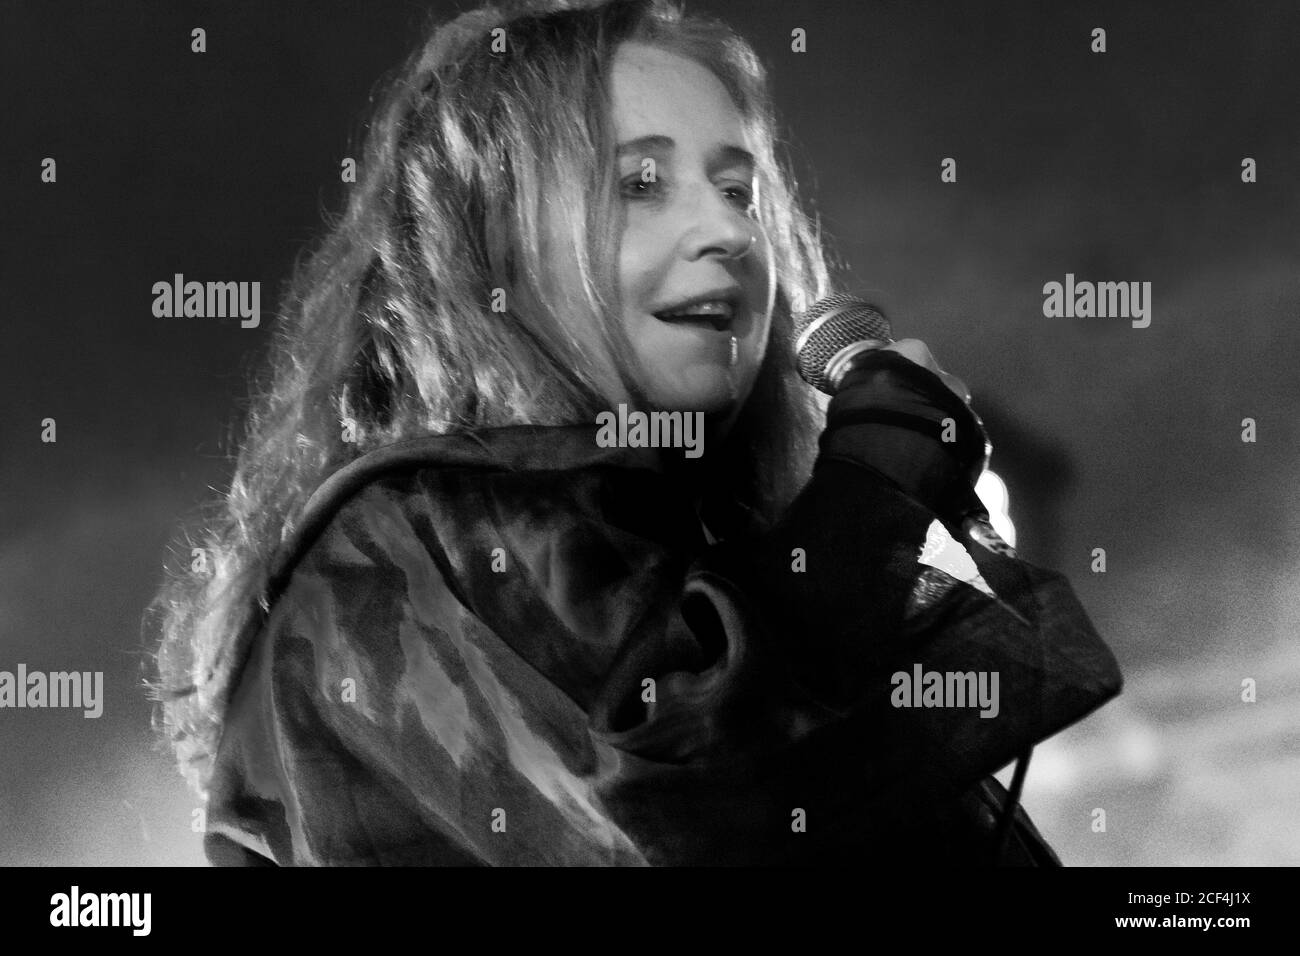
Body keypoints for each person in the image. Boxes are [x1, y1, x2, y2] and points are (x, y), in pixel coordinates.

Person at [147, 0, 1121, 866]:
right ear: (491, 240)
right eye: (641, 183)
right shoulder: (419, 537)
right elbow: (705, 803)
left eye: (739, 190)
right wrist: (882, 472)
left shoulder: (695, 561)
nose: (731, 233)